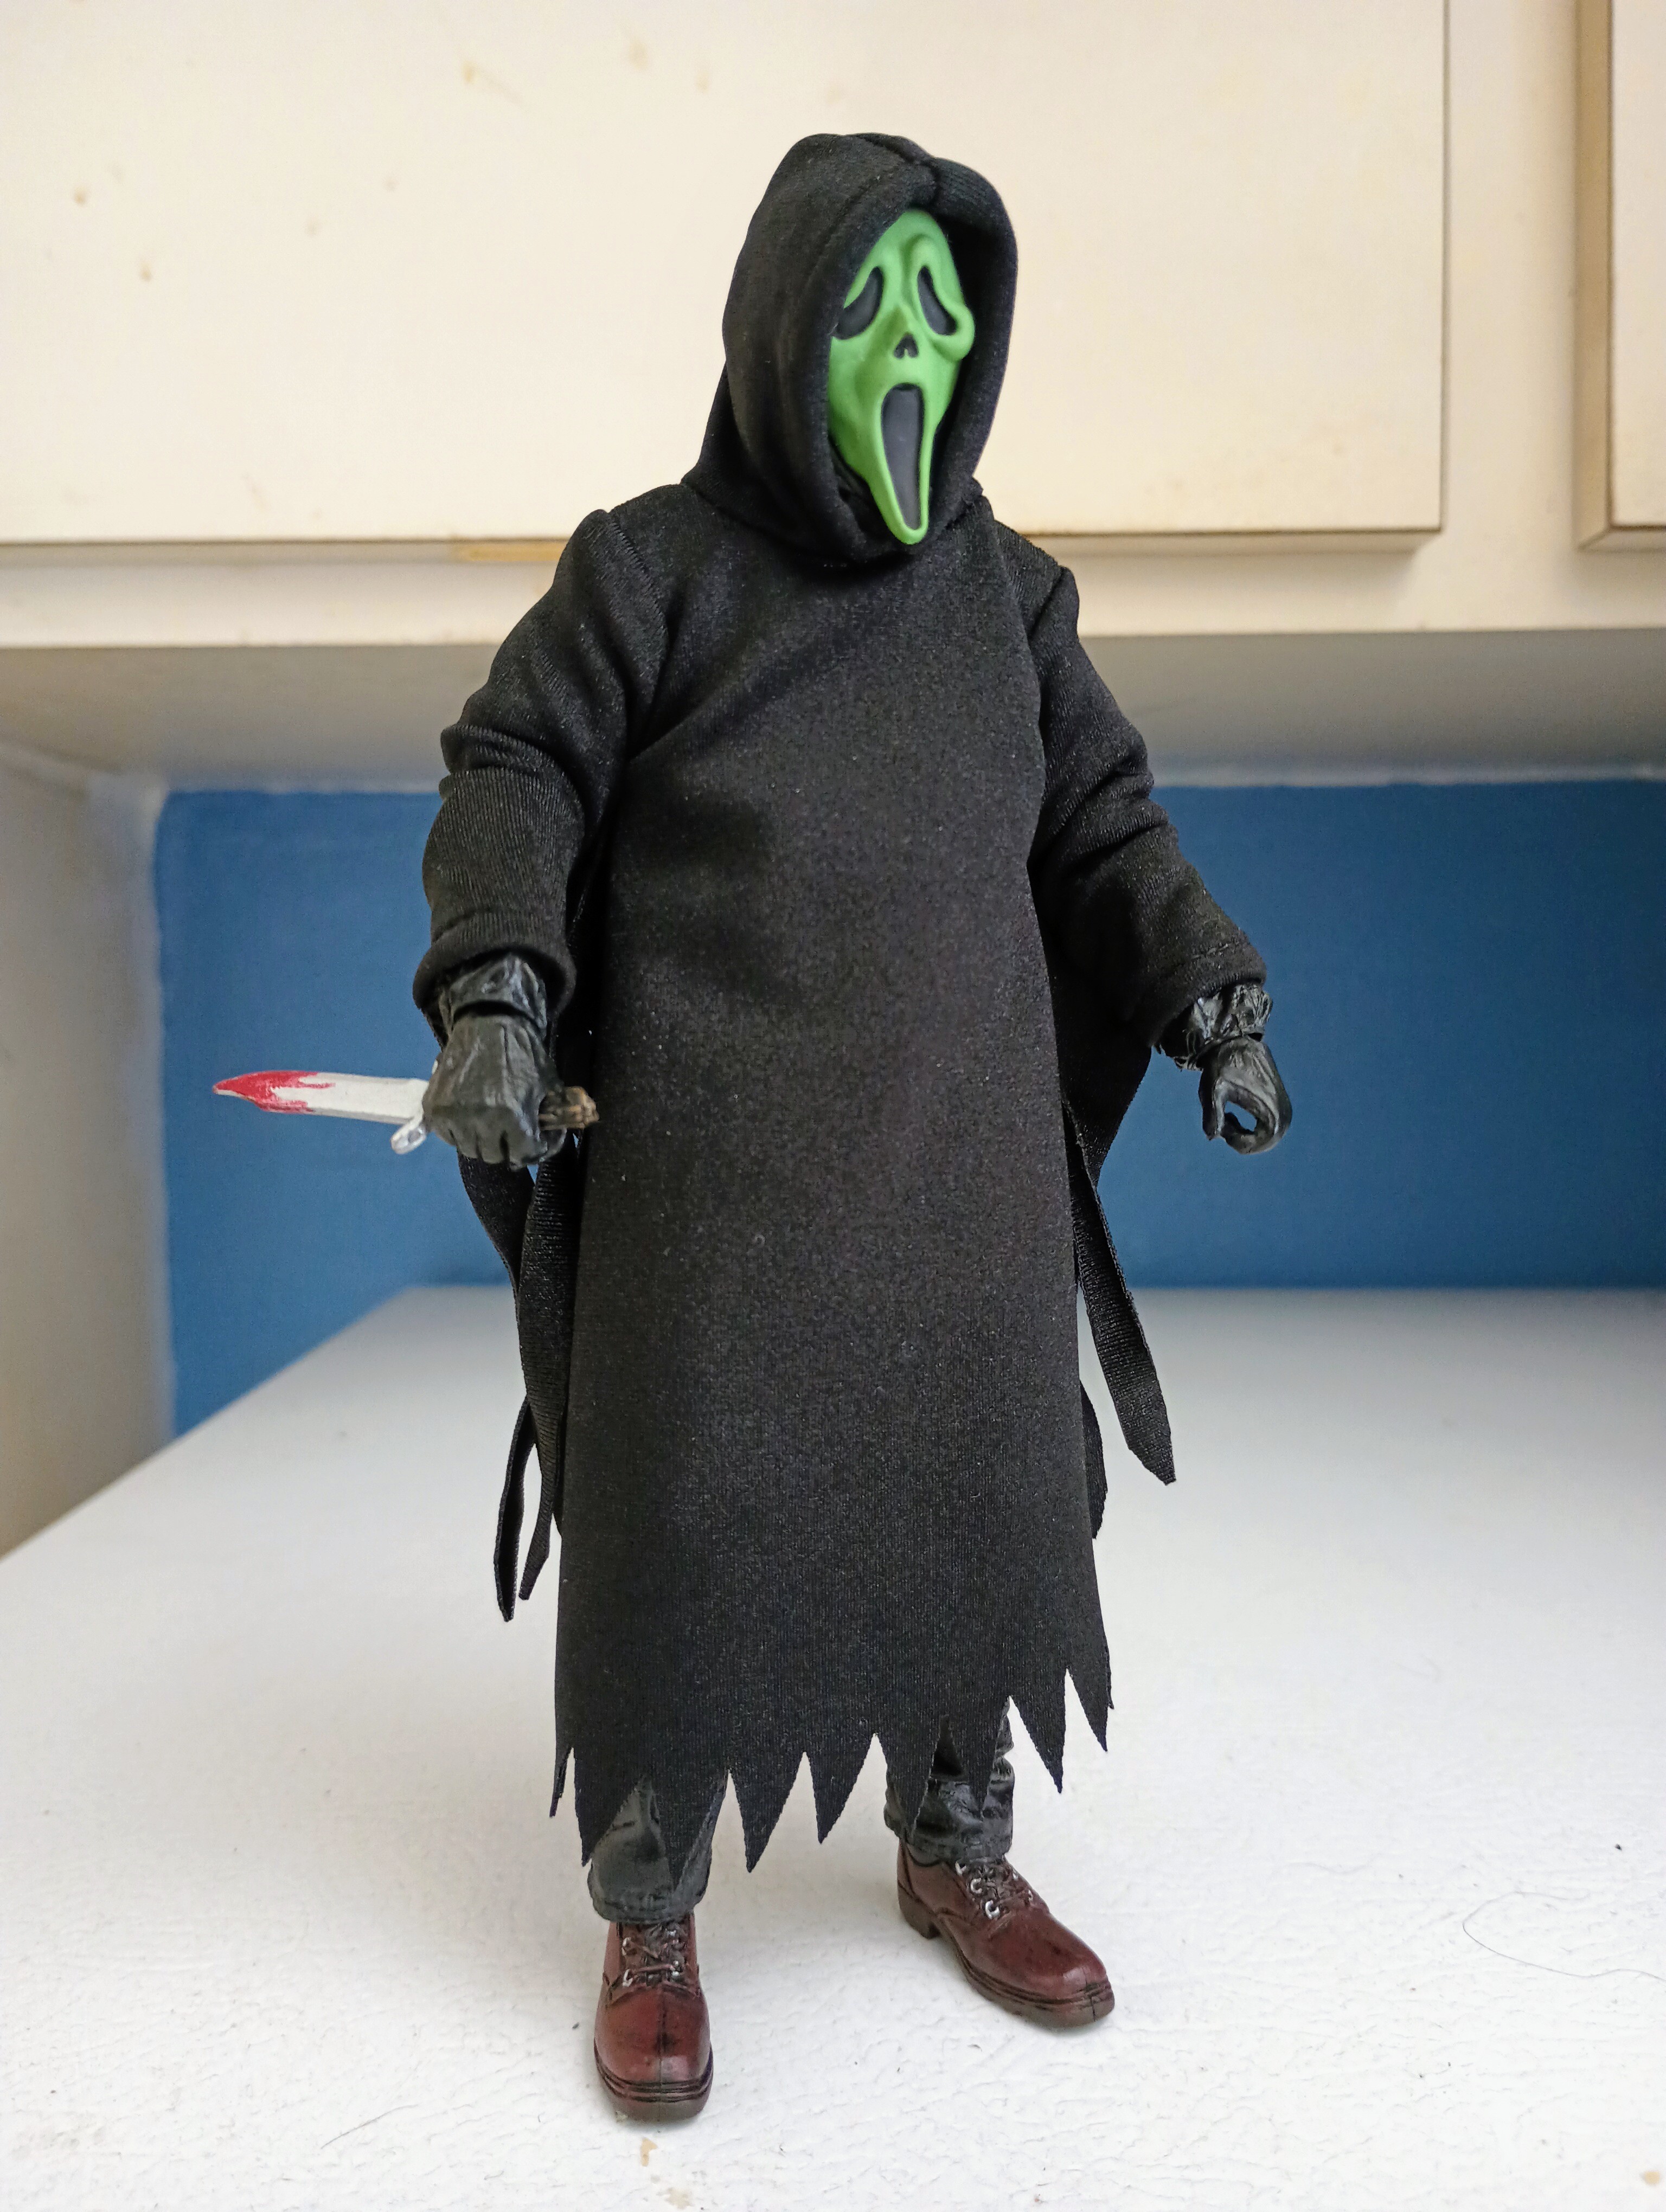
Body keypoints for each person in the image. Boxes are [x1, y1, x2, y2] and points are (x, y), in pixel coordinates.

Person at [415, 133, 1290, 2120]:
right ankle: (651, 1900)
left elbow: (1104, 825)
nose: (914, 349)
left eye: (944, 313)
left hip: (954, 1177)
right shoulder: (650, 572)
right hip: (711, 1198)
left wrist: (1209, 995)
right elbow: (517, 767)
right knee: (677, 1517)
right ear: (782, 324)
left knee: (983, 1494)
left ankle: (956, 1841)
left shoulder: (1009, 601)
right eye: (874, 305)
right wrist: (499, 987)